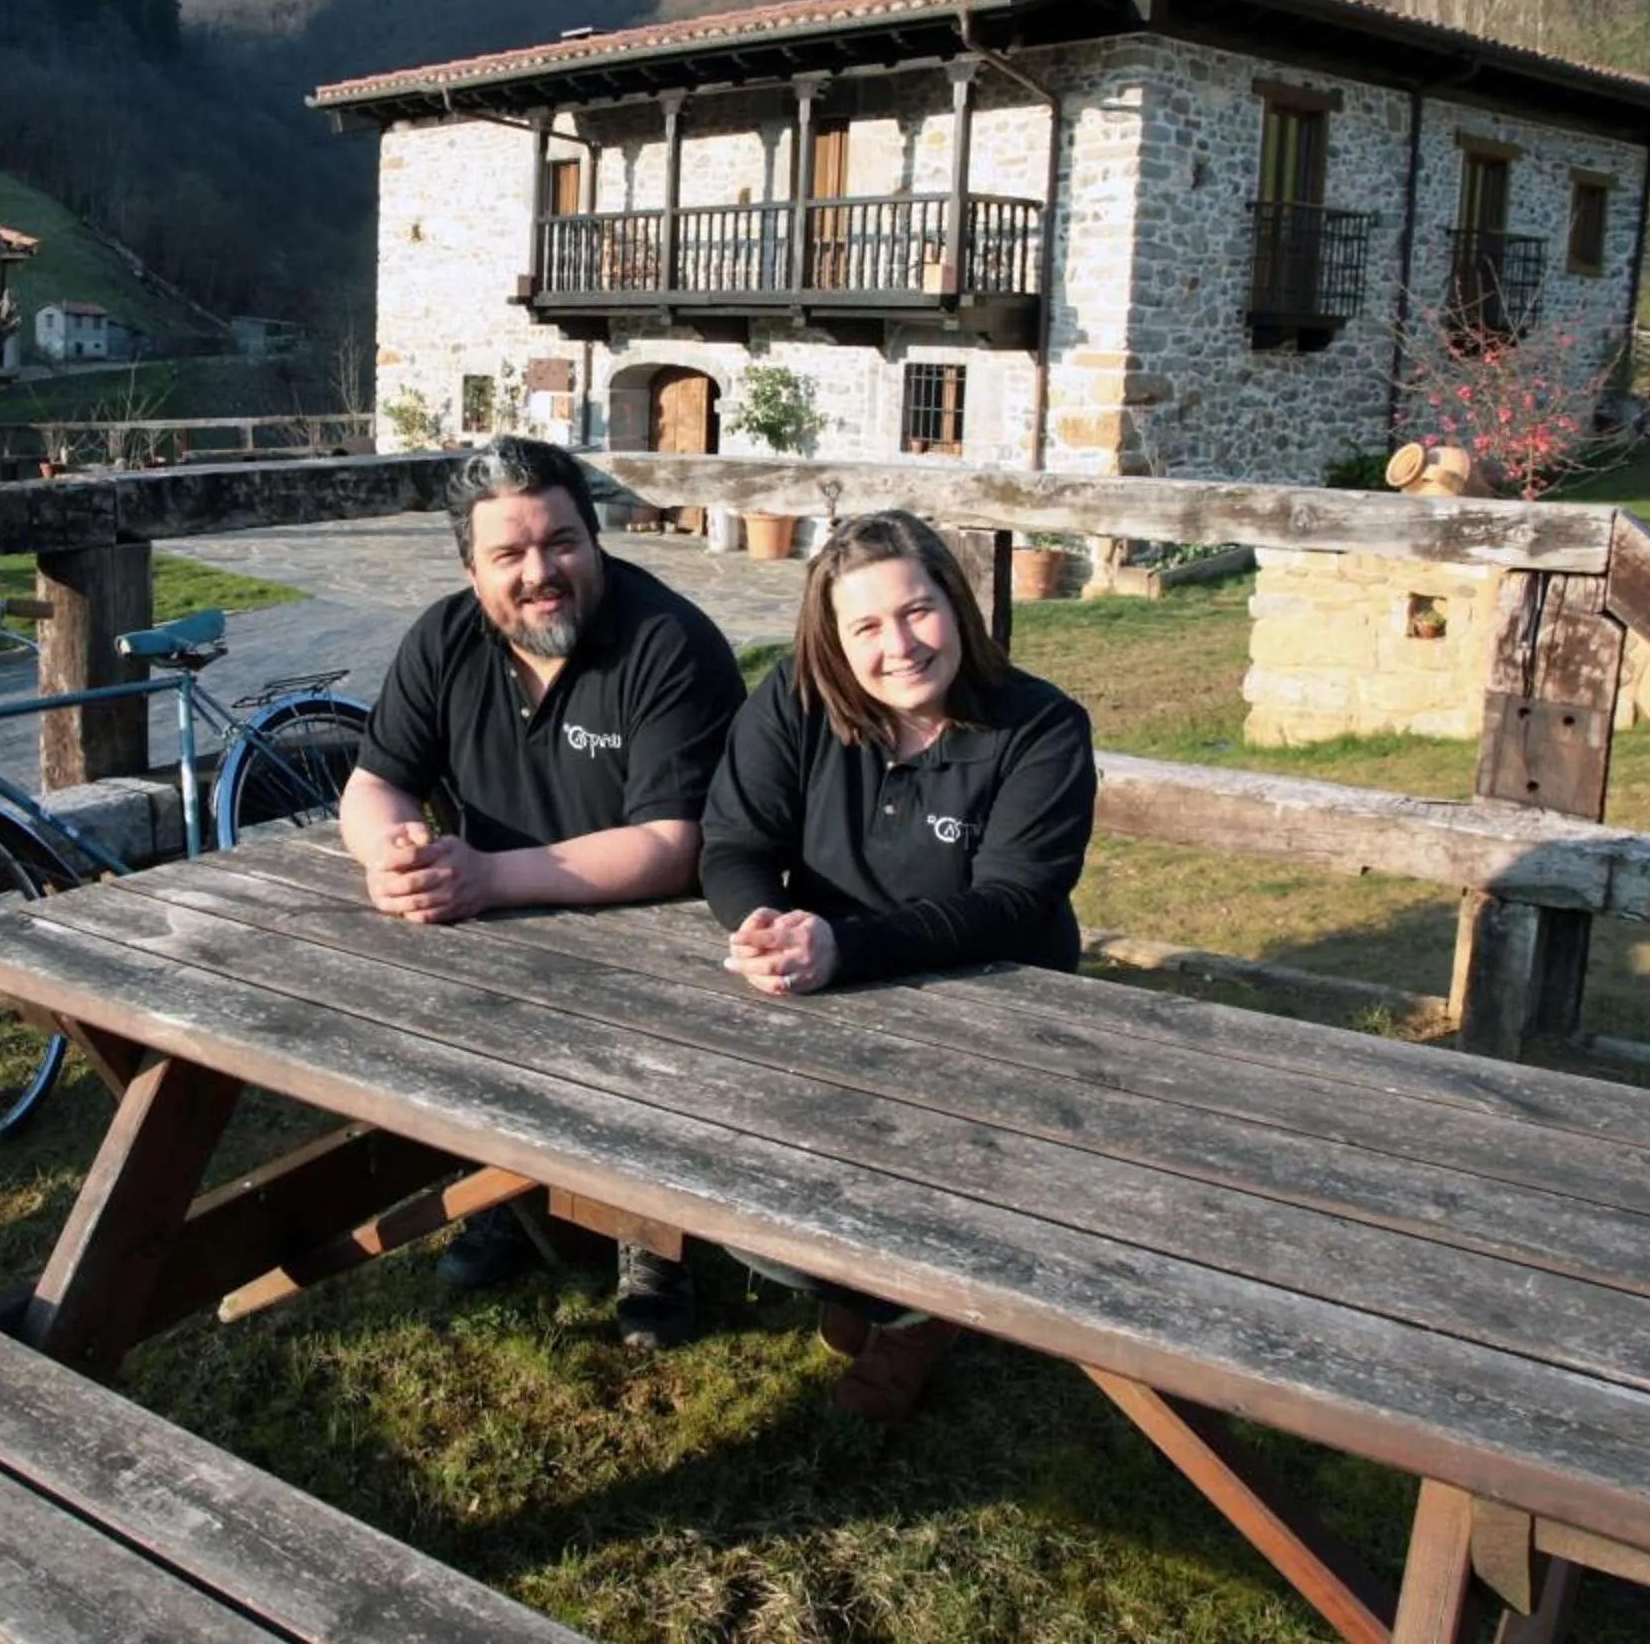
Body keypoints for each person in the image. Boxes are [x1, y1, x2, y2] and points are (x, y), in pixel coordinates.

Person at [340, 435, 746, 1348]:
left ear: (595, 540)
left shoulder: (668, 643)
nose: (540, 573)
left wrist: (488, 877)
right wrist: (389, 855)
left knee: (637, 1049)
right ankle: (509, 1193)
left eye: (561, 542)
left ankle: (651, 1238)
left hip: (656, 940)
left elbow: (676, 844)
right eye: (510, 554)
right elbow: (375, 782)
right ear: (472, 570)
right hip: (498, 934)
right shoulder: (443, 637)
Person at [700, 510, 1097, 1421]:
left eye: (917, 612)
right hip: (828, 986)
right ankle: (862, 1283)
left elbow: (1013, 902)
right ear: (834, 641)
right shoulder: (796, 698)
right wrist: (760, 923)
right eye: (867, 626)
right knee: (738, 1173)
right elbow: (733, 841)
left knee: (933, 1175)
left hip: (992, 1002)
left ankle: (914, 1313)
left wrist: (844, 947)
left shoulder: (1041, 727)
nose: (900, 646)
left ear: (955, 605)